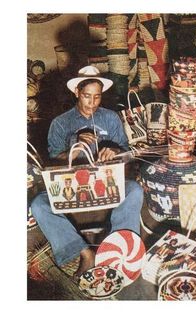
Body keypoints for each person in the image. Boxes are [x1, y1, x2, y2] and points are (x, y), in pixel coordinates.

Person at [31, 65, 144, 280]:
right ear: (76, 93)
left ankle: (120, 248)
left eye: (97, 97)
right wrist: (76, 143)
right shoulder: (61, 123)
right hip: (72, 188)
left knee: (135, 191)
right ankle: (83, 252)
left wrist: (115, 150)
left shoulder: (110, 118)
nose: (92, 103)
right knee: (38, 204)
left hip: (107, 184)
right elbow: (53, 159)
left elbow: (126, 150)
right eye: (86, 96)